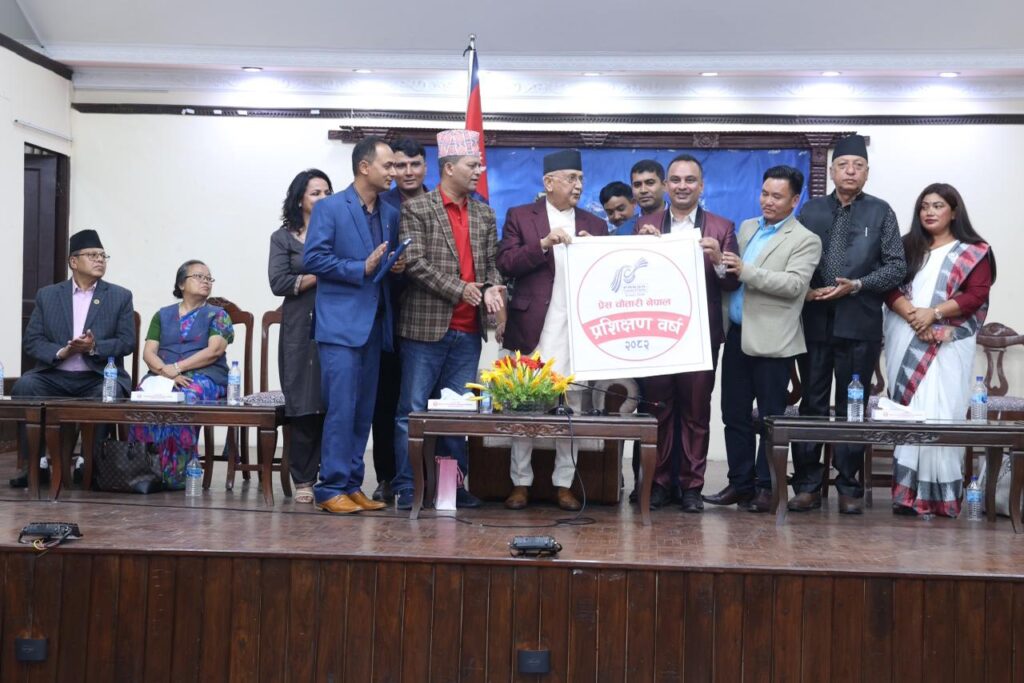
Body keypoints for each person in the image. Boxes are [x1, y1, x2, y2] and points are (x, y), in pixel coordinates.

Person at [791, 134, 906, 514]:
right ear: (832, 171)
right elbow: (795, 260)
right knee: (812, 403)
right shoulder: (810, 211)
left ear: (867, 172)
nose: (850, 171)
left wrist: (857, 285)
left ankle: (848, 485)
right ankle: (807, 485)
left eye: (858, 166)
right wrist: (807, 290)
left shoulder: (881, 212)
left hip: (860, 323)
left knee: (851, 405)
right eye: (843, 165)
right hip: (815, 320)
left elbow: (896, 266)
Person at [391, 129, 505, 510]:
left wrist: (491, 288)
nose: (478, 172)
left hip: (468, 331)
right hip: (424, 329)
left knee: (458, 415)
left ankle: (451, 488)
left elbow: (492, 265)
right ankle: (408, 486)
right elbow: (415, 264)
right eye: (473, 165)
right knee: (412, 412)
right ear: (449, 167)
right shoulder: (417, 209)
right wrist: (461, 290)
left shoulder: (485, 213)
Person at [497, 149, 608, 511]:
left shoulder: (595, 224)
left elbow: (606, 278)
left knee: (571, 409)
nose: (578, 185)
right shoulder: (520, 216)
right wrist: (543, 244)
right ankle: (520, 483)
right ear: (548, 182)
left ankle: (563, 484)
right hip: (533, 328)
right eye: (571, 178)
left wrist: (596, 252)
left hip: (575, 330)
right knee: (523, 407)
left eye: (581, 179)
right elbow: (506, 263)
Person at [707, 166, 822, 513]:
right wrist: (719, 263)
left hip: (774, 341)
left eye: (777, 196)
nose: (768, 201)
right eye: (764, 194)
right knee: (733, 414)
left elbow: (794, 286)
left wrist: (747, 270)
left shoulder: (805, 239)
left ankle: (766, 486)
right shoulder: (747, 227)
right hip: (737, 335)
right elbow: (731, 275)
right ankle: (739, 484)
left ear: (794, 200)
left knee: (771, 420)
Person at [303, 136, 403, 514]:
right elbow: (313, 259)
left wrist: (394, 265)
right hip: (340, 327)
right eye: (388, 166)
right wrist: (359, 267)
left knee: (364, 411)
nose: (394, 172)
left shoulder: (390, 213)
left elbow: (379, 266)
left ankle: (352, 484)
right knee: (341, 410)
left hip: (375, 325)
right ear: (364, 167)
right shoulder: (330, 208)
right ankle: (329, 488)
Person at [635, 154, 740, 512]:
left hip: (700, 335)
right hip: (657, 333)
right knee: (658, 410)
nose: (683, 186)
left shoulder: (722, 227)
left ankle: (692, 486)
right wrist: (642, 248)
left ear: (701, 185)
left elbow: (732, 284)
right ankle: (660, 483)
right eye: (676, 180)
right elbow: (633, 278)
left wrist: (718, 260)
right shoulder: (645, 224)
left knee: (696, 413)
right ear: (666, 185)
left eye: (690, 180)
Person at [883, 183, 995, 517]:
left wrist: (933, 314)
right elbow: (888, 285)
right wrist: (915, 317)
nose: (929, 212)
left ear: (954, 211)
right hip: (906, 334)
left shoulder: (974, 251)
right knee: (910, 412)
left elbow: (976, 295)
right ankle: (906, 496)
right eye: (924, 206)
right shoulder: (906, 246)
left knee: (943, 412)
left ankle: (942, 498)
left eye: (938, 205)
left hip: (948, 343)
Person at [11, 229, 135, 487]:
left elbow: (127, 342)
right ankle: (36, 464)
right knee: (25, 386)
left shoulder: (120, 296)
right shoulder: (48, 295)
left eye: (103, 256)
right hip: (54, 376)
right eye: (92, 255)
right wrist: (62, 352)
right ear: (73, 261)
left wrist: (94, 346)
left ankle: (88, 463)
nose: (100, 260)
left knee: (107, 392)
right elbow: (32, 340)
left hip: (96, 376)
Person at [131, 260, 233, 488]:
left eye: (209, 278)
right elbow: (149, 352)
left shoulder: (218, 315)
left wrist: (177, 368)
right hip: (164, 374)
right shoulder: (162, 315)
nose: (206, 282)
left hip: (206, 377)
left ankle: (177, 474)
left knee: (185, 396)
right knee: (141, 395)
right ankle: (144, 471)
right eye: (199, 276)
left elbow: (214, 351)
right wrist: (165, 372)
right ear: (181, 284)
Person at [268, 168, 332, 504]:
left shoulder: (338, 232)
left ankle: (333, 478)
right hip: (299, 326)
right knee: (304, 402)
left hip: (336, 322)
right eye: (315, 193)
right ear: (299, 200)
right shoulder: (283, 238)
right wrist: (320, 274)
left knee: (333, 401)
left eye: (327, 192)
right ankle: (304, 479)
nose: (323, 198)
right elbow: (278, 282)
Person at [373, 138, 429, 502]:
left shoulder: (438, 201)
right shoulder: (380, 204)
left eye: (414, 164)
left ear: (425, 166)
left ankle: (432, 478)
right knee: (387, 401)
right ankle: (387, 477)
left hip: (430, 320)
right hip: (389, 318)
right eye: (399, 165)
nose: (407, 172)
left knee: (429, 404)